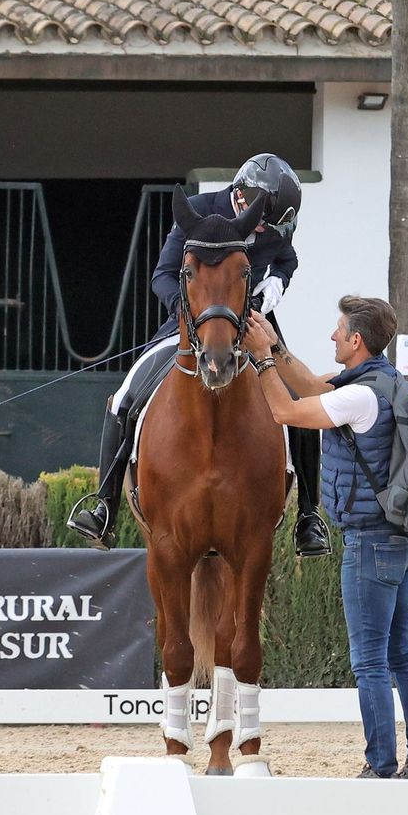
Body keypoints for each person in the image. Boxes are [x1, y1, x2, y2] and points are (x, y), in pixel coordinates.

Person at [67, 153, 330, 557]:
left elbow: (285, 258)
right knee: (124, 397)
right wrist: (186, 315)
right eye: (260, 221)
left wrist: (277, 283)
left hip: (254, 325)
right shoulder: (201, 211)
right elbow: (163, 274)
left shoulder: (274, 222)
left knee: (299, 404)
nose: (263, 230)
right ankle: (104, 504)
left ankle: (308, 516)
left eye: (269, 225)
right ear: (241, 195)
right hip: (192, 324)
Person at [238, 297, 408, 780]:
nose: (331, 336)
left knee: (369, 661)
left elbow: (287, 410)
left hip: (370, 541)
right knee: (401, 654)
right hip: (402, 538)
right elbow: (311, 385)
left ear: (356, 340)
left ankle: (380, 766)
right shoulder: (385, 382)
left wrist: (263, 360)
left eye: (337, 330)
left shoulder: (358, 397)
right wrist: (274, 345)